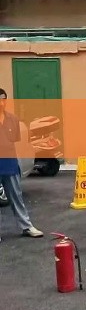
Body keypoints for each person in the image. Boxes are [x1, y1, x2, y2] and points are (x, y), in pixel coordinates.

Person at [0, 88, 44, 242]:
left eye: (3, 99)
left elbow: (15, 141)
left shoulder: (12, 119)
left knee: (16, 196)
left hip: (9, 163)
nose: (1, 103)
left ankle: (27, 226)